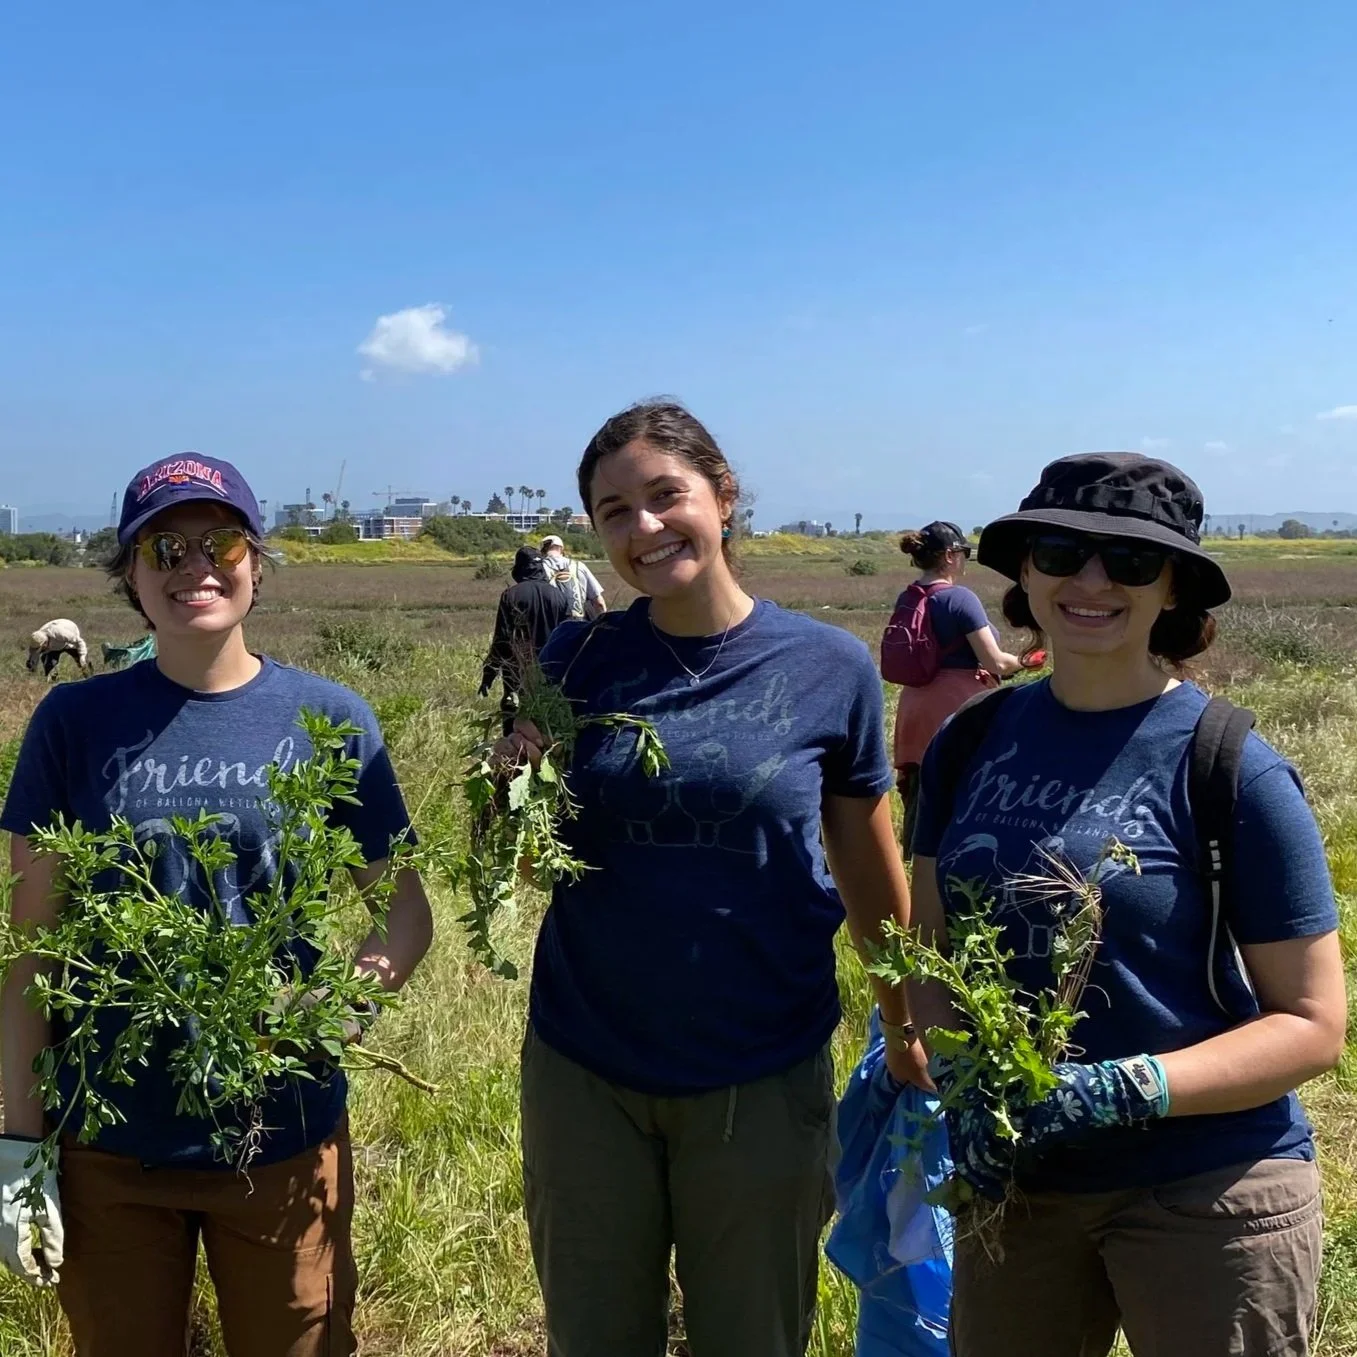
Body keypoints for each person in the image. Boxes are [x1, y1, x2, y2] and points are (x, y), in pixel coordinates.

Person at [500, 400, 927, 1357]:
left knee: (752, 1332)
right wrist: (512, 788)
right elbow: (533, 863)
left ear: (723, 496)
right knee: (594, 1333)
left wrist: (903, 1018)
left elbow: (867, 864)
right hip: (586, 1063)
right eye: (615, 511)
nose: (644, 527)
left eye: (666, 495)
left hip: (759, 1064)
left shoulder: (827, 667)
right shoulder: (578, 658)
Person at [907, 453, 1346, 1357]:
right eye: (1061, 552)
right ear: (1025, 570)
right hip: (1023, 1181)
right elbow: (929, 944)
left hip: (1206, 1182)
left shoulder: (1229, 762)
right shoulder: (971, 740)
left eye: (1132, 561)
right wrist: (960, 1078)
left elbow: (1311, 1024)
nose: (1092, 580)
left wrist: (1128, 1087)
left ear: (1172, 587)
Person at [0, 453, 434, 1357]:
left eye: (222, 542)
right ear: (129, 574)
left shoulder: (331, 716)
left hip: (281, 1134)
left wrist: (337, 1010)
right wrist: (18, 1145)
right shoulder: (72, 723)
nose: (195, 564)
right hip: (108, 1141)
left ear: (256, 563)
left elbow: (402, 913)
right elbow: (32, 953)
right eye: (164, 547)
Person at [885, 521, 1024, 846]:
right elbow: (995, 662)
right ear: (950, 556)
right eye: (964, 553)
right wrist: (1025, 661)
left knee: (920, 795)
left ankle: (915, 860)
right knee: (965, 792)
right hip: (956, 704)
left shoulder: (908, 597)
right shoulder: (960, 598)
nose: (965, 560)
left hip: (914, 706)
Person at [479, 546, 571, 731]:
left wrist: (489, 675)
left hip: (517, 673)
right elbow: (569, 637)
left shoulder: (511, 595)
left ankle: (512, 748)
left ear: (520, 567)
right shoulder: (559, 596)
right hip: (551, 672)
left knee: (514, 717)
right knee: (548, 722)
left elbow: (502, 640)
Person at [540, 532, 606, 619]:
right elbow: (599, 603)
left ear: (542, 551)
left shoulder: (539, 568)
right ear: (561, 549)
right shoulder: (579, 566)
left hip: (553, 624)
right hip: (578, 623)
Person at [25, 619, 93, 679]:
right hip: (54, 647)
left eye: (42, 648)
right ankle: (52, 683)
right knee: (49, 665)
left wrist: (82, 656)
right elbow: (34, 657)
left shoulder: (59, 633)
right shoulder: (36, 640)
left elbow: (79, 641)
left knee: (83, 663)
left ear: (45, 642)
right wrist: (32, 670)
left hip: (68, 642)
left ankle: (90, 679)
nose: (41, 650)